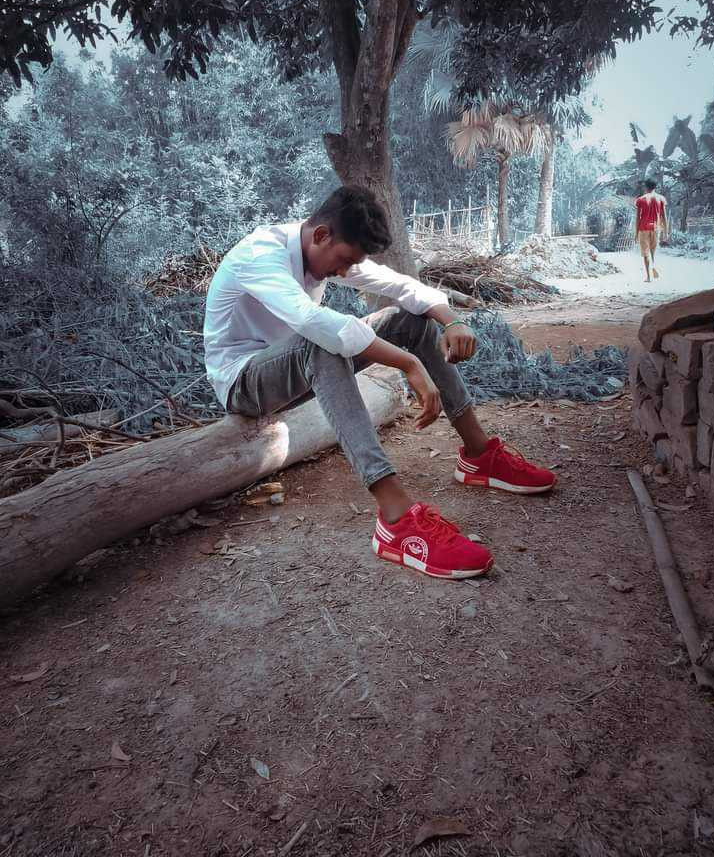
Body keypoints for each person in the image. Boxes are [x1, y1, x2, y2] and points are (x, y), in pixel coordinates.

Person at [203, 186, 556, 581]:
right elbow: (312, 321)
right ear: (321, 234)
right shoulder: (260, 255)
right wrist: (407, 363)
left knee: (409, 319)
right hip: (243, 383)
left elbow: (400, 286)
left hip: (293, 368)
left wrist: (451, 320)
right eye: (344, 261)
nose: (343, 273)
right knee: (320, 343)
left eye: (350, 264)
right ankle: (396, 519)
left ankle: (479, 455)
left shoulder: (323, 244)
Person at [635, 179, 668, 282]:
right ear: (655, 187)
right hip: (656, 228)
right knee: (653, 251)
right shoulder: (661, 199)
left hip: (643, 228)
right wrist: (666, 232)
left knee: (645, 253)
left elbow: (638, 218)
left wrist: (636, 233)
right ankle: (653, 266)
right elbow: (664, 216)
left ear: (645, 187)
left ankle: (648, 277)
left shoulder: (641, 199)